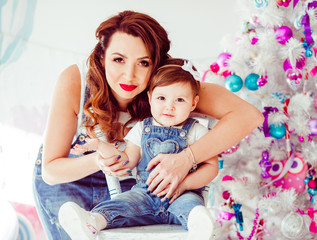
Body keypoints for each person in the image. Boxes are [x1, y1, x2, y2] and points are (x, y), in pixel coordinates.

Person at [32, 10, 264, 240]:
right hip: (69, 183)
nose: (129, 75)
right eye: (118, 59)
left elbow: (248, 116)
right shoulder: (76, 80)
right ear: (102, 57)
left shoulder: (170, 87)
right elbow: (51, 171)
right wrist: (98, 160)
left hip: (133, 187)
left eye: (143, 63)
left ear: (156, 63)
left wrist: (186, 158)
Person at [58, 59, 219, 239]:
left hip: (182, 195)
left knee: (192, 207)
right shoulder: (142, 128)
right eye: (161, 98)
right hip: (144, 195)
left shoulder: (197, 131)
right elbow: (127, 162)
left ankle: (198, 227)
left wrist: (185, 185)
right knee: (121, 203)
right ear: (150, 98)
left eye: (180, 99)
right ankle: (92, 221)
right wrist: (100, 147)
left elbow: (211, 167)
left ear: (193, 103)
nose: (169, 106)